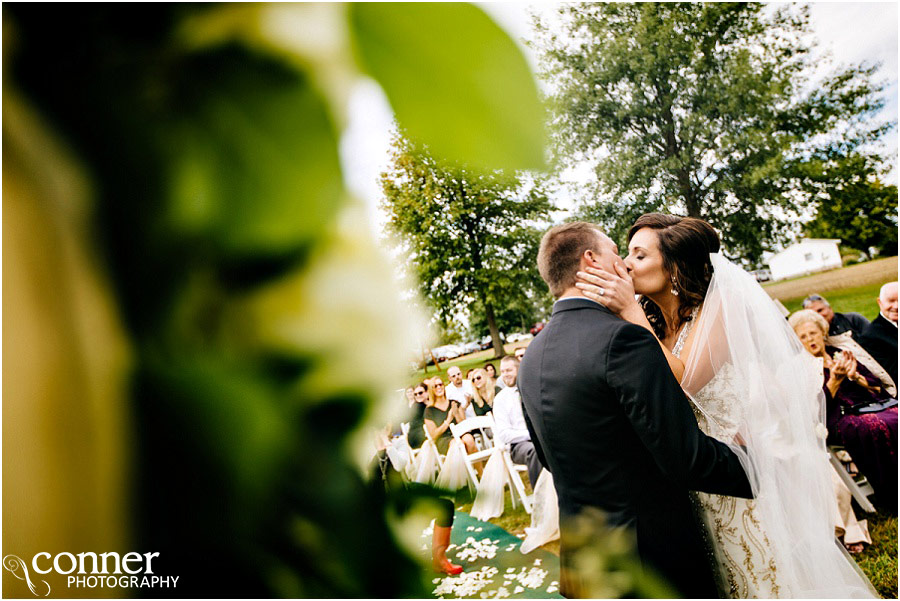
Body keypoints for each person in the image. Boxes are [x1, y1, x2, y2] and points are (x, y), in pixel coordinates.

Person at [574, 214, 876, 597]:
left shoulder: (718, 307)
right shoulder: (648, 320)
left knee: (756, 573)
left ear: (675, 265)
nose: (627, 264)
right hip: (685, 477)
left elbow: (682, 380)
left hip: (730, 472)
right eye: (628, 253)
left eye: (640, 254)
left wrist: (630, 312)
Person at [519, 221, 753, 599]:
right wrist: (758, 468)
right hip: (649, 556)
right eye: (617, 252)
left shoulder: (533, 354)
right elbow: (684, 457)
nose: (625, 264)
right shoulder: (623, 338)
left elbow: (547, 457)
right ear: (591, 260)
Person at [790, 309, 898, 512]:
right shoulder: (800, 368)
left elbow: (877, 387)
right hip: (838, 416)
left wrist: (855, 376)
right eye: (802, 336)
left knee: (893, 419)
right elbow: (813, 410)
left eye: (812, 333)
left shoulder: (839, 353)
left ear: (822, 332)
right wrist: (834, 381)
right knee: (875, 426)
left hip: (871, 404)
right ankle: (892, 494)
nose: (810, 339)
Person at [492, 355, 542, 488]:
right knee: (536, 451)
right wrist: (531, 434)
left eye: (508, 370)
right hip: (519, 445)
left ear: (519, 370)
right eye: (502, 371)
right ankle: (541, 498)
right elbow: (504, 434)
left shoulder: (533, 390)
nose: (505, 375)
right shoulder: (500, 400)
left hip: (541, 437)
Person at [858, 282, 898, 384]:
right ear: (880, 302)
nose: (896, 306)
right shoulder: (870, 337)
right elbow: (891, 377)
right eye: (891, 301)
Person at [423, 377, 466, 454]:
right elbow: (433, 435)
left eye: (440, 384)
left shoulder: (454, 403)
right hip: (444, 439)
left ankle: (477, 466)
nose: (439, 387)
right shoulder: (429, 411)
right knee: (456, 444)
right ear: (431, 390)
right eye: (435, 386)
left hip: (459, 434)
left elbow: (464, 426)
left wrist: (456, 414)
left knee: (469, 440)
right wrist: (448, 420)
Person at [803, 293, 870, 340]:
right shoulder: (812, 337)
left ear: (830, 308)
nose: (819, 316)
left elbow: (874, 339)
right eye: (813, 313)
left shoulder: (853, 319)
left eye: (820, 310)